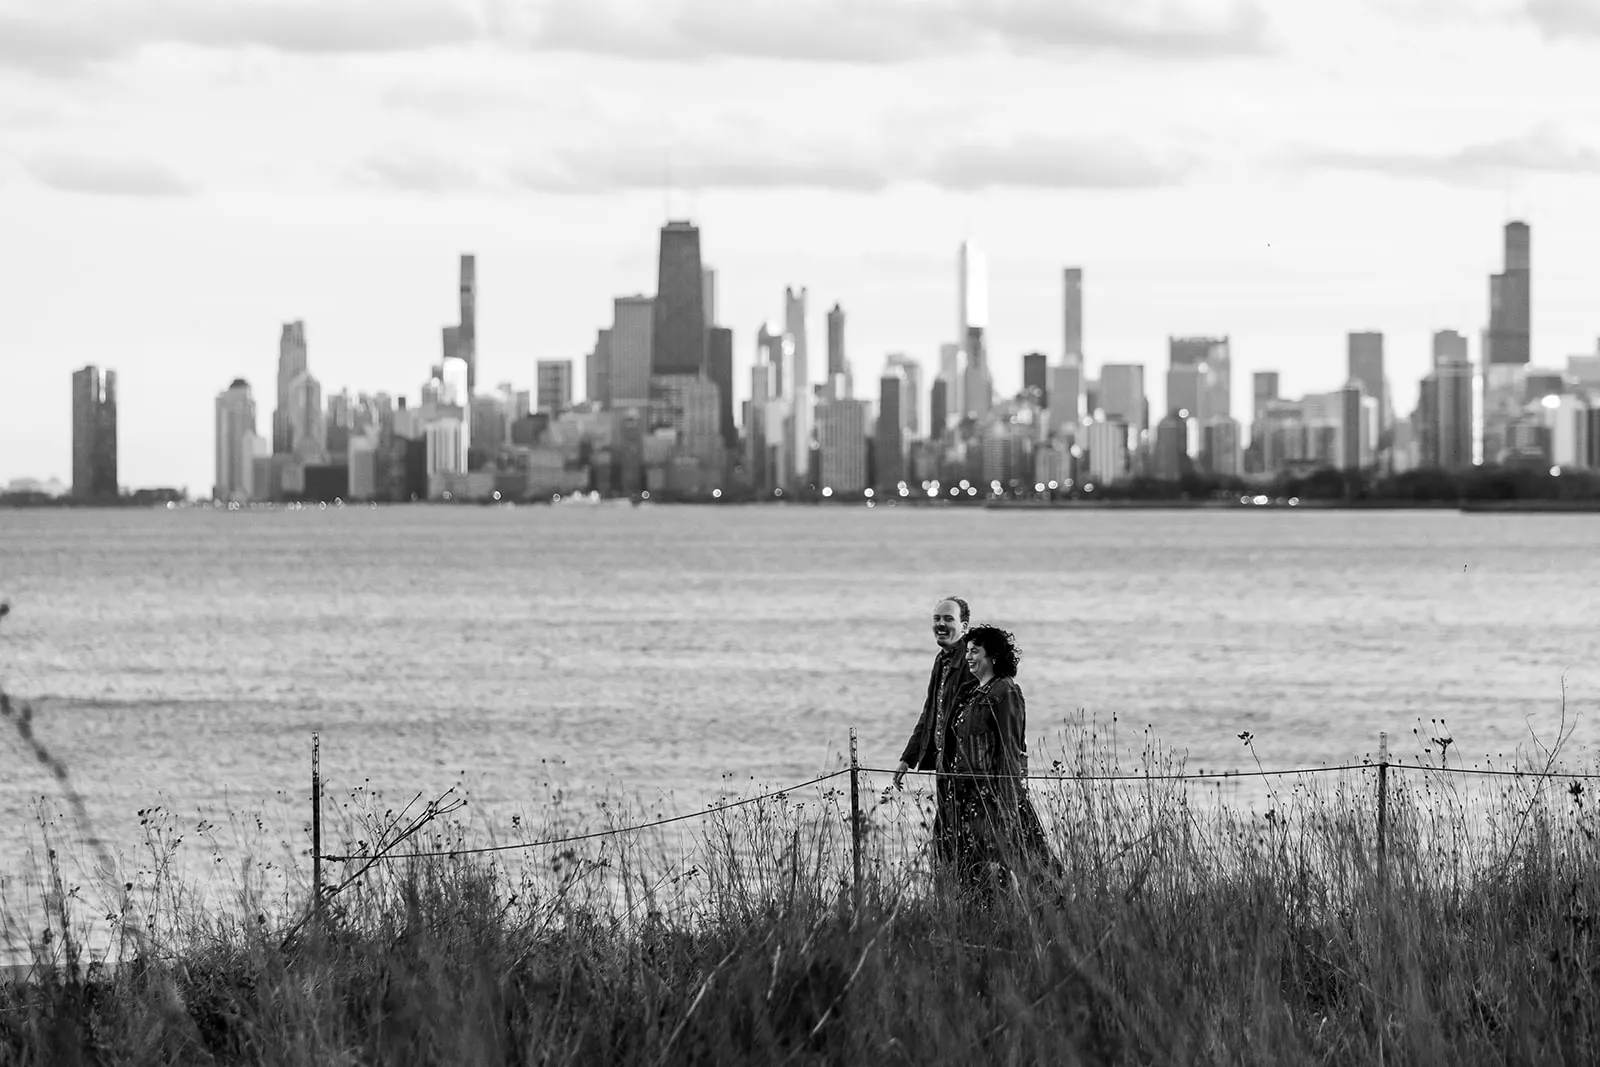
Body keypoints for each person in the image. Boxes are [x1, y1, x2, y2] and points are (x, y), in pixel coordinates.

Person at [943, 624, 1055, 891]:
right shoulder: (971, 693)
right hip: (967, 798)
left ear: (992, 656)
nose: (968, 656)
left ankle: (1053, 919)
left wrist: (1008, 802)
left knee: (1028, 865)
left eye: (975, 651)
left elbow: (1010, 749)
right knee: (975, 870)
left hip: (993, 797)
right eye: (967, 651)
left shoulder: (1004, 691)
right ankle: (986, 923)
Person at [894, 596, 979, 867]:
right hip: (945, 768)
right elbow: (929, 711)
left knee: (964, 843)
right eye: (937, 619)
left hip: (966, 771)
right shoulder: (941, 660)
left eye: (948, 619)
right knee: (946, 844)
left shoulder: (970, 661)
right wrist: (908, 758)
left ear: (964, 626)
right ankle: (953, 902)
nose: (940, 625)